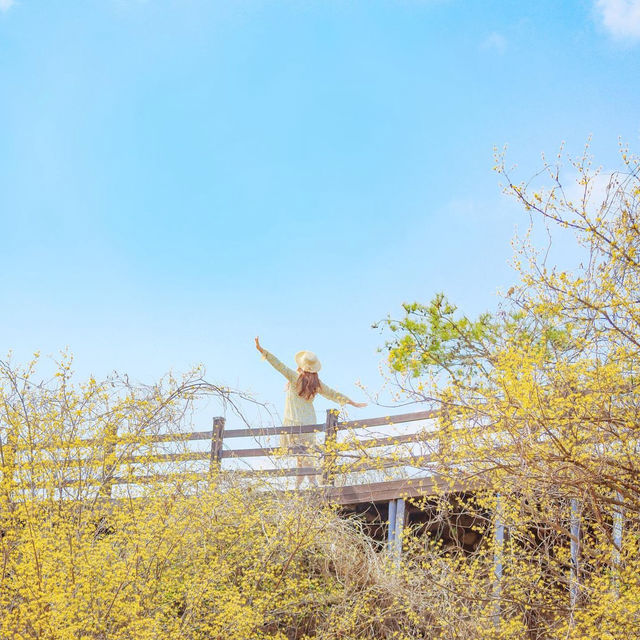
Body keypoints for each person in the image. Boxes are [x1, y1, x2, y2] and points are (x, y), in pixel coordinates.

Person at [255, 336, 366, 487]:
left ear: (301, 365)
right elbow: (333, 394)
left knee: (302, 456)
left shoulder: (295, 378)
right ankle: (298, 486)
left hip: (294, 421)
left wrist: (262, 350)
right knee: (303, 456)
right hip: (308, 422)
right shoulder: (316, 383)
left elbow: (279, 365)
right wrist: (352, 402)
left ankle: (312, 484)